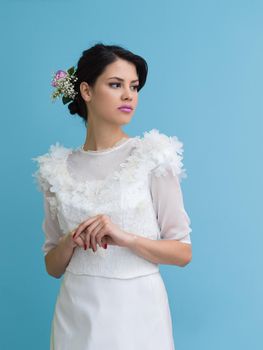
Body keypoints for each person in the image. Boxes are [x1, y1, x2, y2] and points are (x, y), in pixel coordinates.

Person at [32, 42, 192, 350]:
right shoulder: (55, 170)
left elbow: (183, 252)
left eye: (134, 87)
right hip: (76, 312)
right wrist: (70, 240)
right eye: (115, 84)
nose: (129, 95)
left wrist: (125, 237)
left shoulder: (152, 157)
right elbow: (52, 266)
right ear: (87, 91)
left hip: (138, 312)